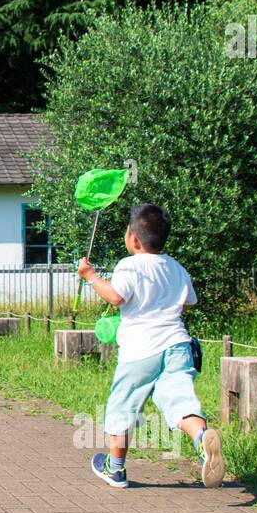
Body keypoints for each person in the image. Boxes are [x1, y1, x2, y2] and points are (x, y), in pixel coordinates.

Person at [77, 203, 224, 489]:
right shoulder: (176, 267)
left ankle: (115, 468)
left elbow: (116, 297)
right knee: (179, 400)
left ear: (133, 238)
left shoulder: (129, 265)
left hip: (141, 350)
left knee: (123, 405)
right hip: (178, 346)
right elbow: (187, 303)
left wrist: (91, 277)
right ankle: (201, 438)